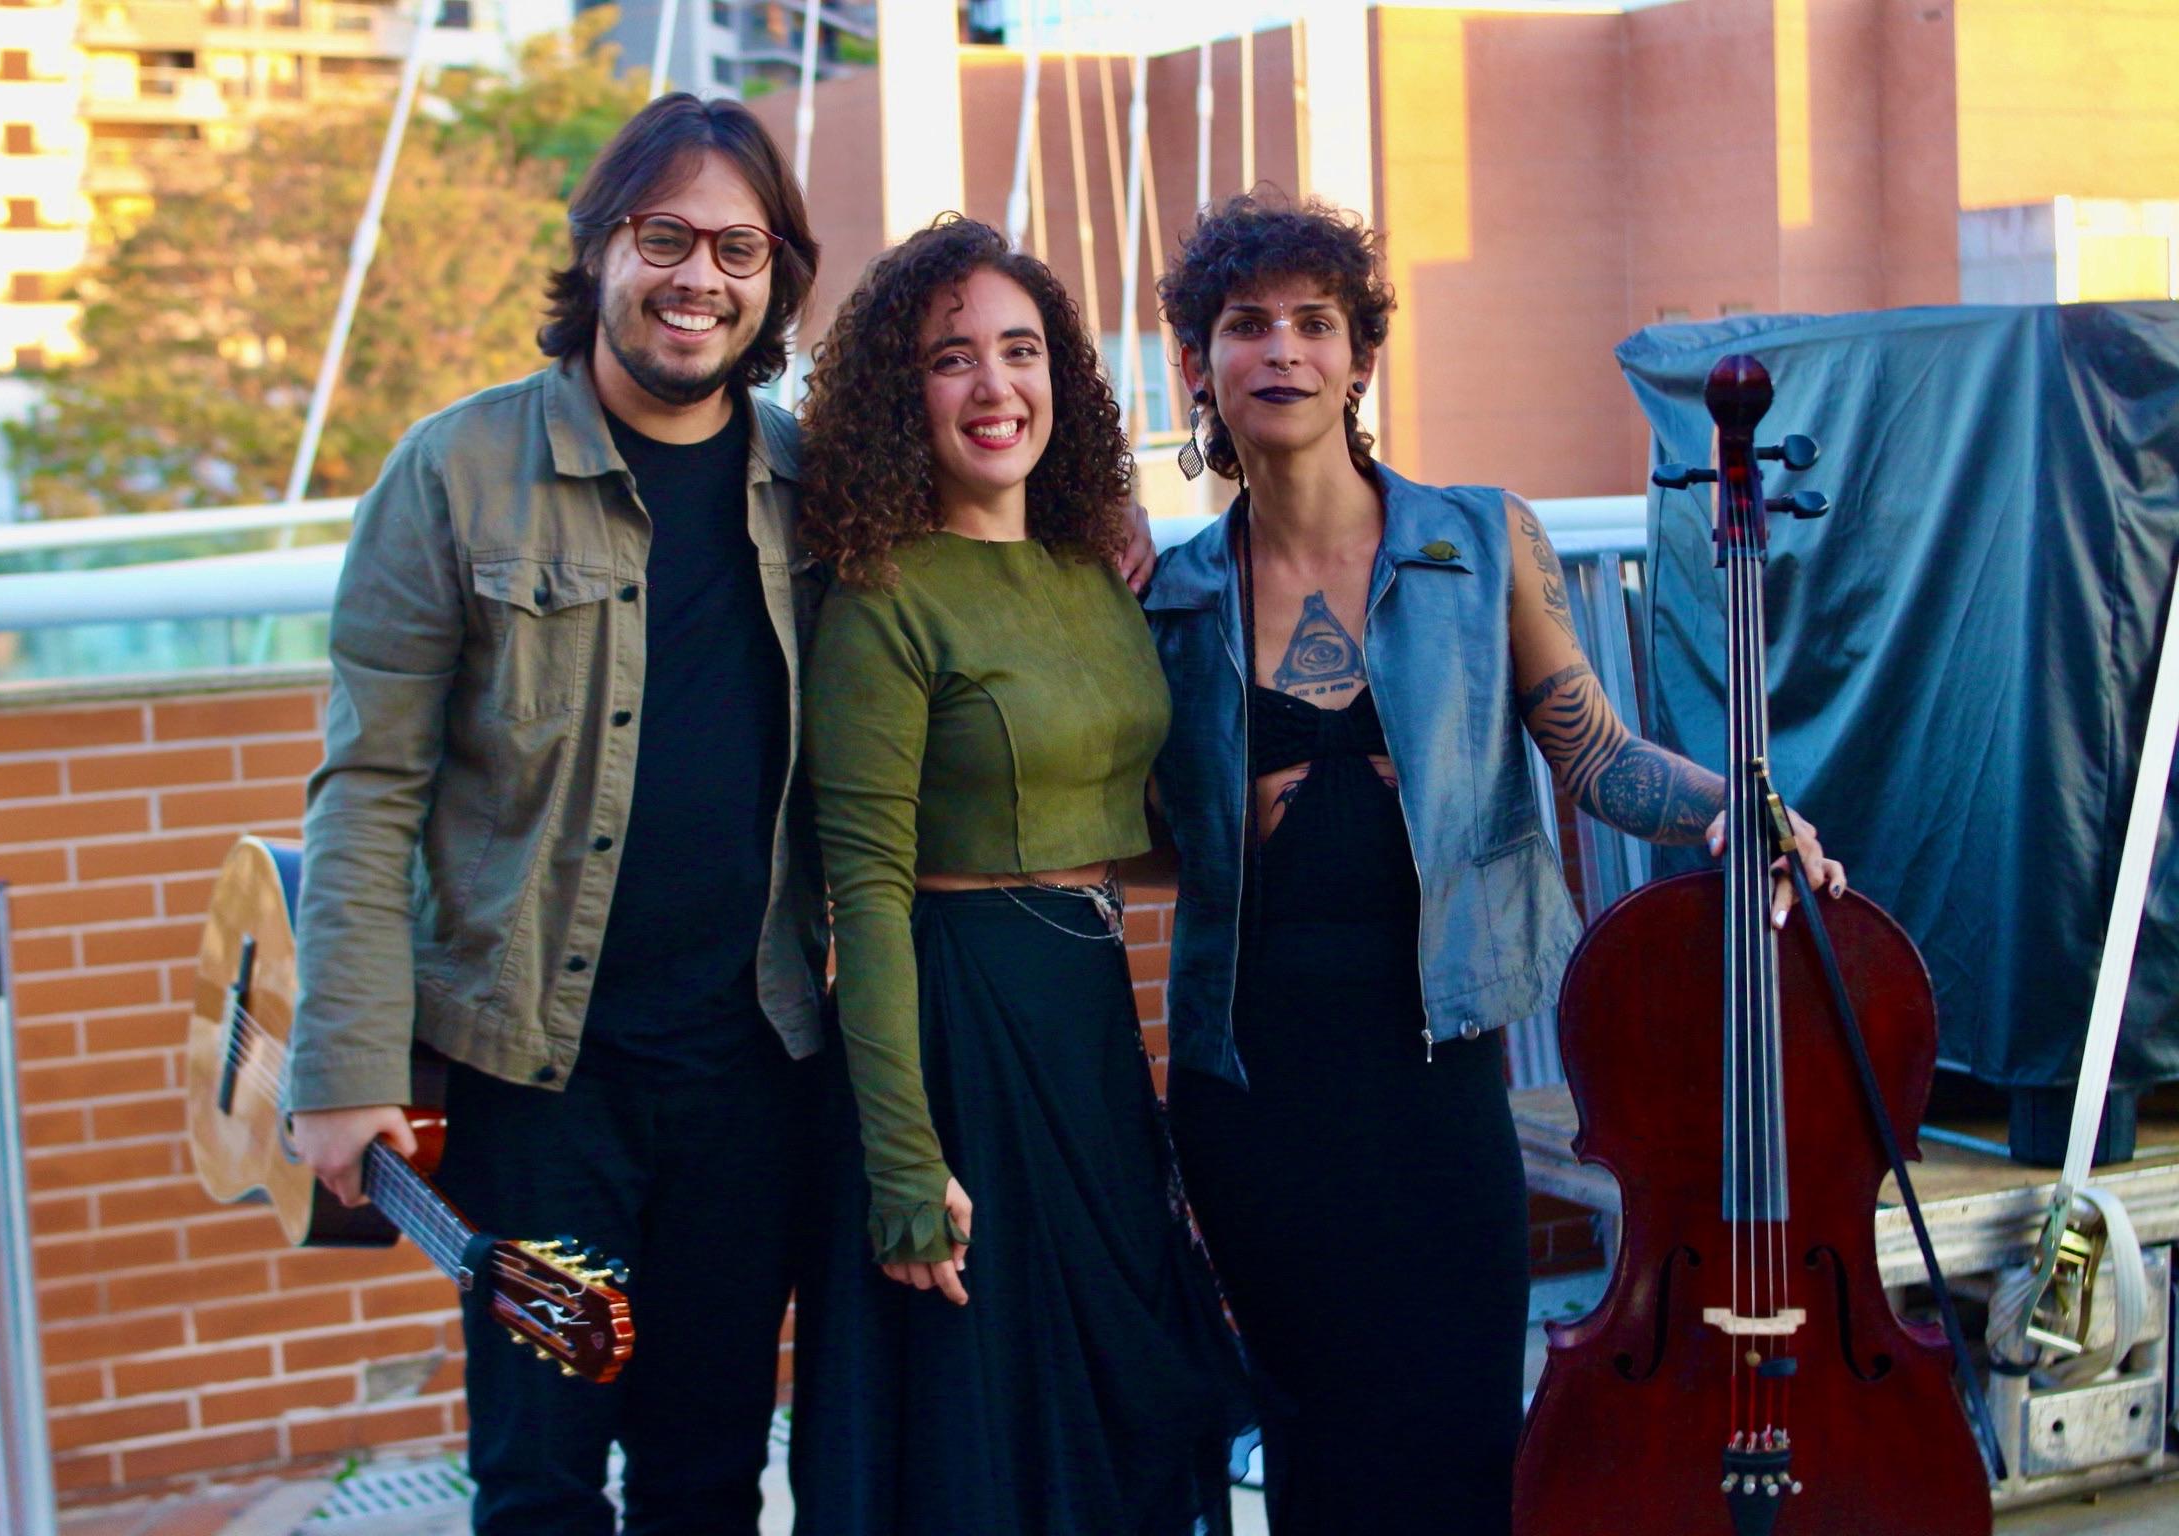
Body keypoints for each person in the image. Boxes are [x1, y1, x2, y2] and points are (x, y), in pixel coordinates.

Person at [1143, 191, 1845, 1536]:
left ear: (1359, 358)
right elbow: (1153, 837)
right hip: (1257, 1089)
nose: (1281, 350)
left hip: (1436, 1066)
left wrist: (1743, 805)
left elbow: (1596, 753)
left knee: (1464, 1433)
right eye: (1246, 325)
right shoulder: (1171, 597)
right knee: (1309, 1443)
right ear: (1201, 363)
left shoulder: (1478, 541)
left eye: (1315, 322)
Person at [282, 95, 835, 1535]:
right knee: (539, 1478)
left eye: (738, 248)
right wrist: (340, 1068)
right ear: (599, 248)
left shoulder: (816, 487)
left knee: (710, 1472)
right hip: (537, 1086)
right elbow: (366, 789)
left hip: (750, 1070)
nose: (698, 278)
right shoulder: (455, 472)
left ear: (774, 279)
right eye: (665, 238)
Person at [790, 216, 1251, 1536]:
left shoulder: (1092, 570)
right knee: (985, 1430)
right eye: (952, 359)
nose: (995, 388)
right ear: (899, 393)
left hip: (1089, 1023)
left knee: (1125, 1406)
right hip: (953, 1031)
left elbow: (1121, 816)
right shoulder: (882, 597)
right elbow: (864, 894)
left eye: (1021, 350)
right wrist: (898, 1156)